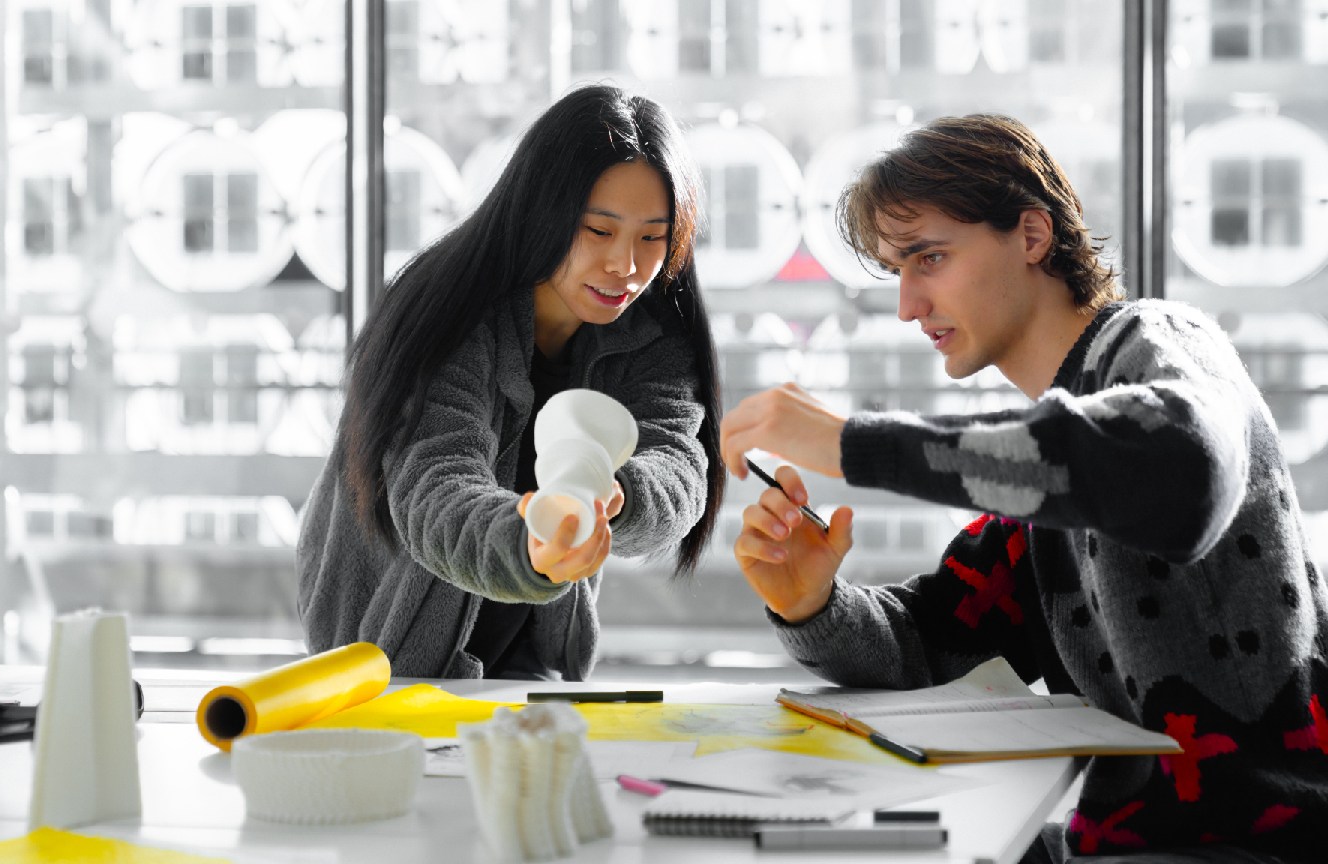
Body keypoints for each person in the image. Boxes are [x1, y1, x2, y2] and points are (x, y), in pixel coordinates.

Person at [721, 114, 1326, 863]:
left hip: (1256, 844)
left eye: (930, 257)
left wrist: (853, 445)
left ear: (1032, 235)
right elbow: (929, 647)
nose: (907, 305)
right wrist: (811, 601)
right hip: (1130, 845)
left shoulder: (1161, 340)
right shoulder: (1045, 483)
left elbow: (1181, 474)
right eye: (897, 270)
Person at [297, 84, 724, 681]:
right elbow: (434, 487)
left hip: (535, 668)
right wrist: (532, 544)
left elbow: (678, 463)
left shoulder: (654, 331)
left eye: (652, 237)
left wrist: (619, 494)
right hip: (386, 667)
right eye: (599, 231)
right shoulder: (449, 310)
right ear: (543, 211)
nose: (626, 266)